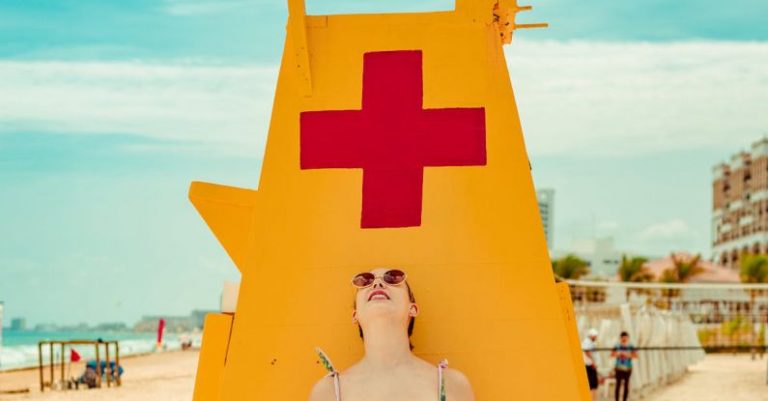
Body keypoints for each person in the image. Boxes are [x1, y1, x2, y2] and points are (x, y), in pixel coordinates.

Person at [309, 268, 475, 401]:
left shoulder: (452, 383)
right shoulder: (327, 391)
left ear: (413, 308)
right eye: (365, 281)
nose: (378, 283)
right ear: (355, 315)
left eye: (393, 278)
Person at [611, 331, 637, 401]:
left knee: (626, 385)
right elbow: (612, 354)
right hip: (619, 368)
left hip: (627, 368)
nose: (624, 339)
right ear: (621, 338)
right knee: (618, 385)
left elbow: (635, 355)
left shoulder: (631, 346)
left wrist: (628, 355)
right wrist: (618, 354)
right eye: (623, 338)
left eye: (626, 338)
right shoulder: (617, 346)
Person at [581, 328, 599, 400]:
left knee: (594, 385)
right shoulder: (587, 342)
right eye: (595, 336)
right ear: (592, 336)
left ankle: (593, 399)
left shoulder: (591, 342)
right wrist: (593, 362)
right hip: (589, 366)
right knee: (591, 385)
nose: (596, 338)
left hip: (592, 366)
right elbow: (587, 352)